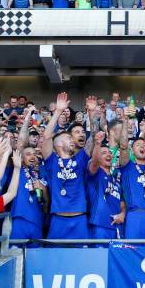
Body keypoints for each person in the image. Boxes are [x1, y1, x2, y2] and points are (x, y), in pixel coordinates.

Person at [40, 93, 91, 239]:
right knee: (55, 259)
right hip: (58, 219)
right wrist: (57, 111)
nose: (72, 140)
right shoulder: (51, 161)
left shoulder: (80, 158)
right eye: (69, 138)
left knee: (83, 259)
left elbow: (92, 141)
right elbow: (46, 137)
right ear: (59, 143)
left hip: (79, 218)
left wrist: (92, 114)